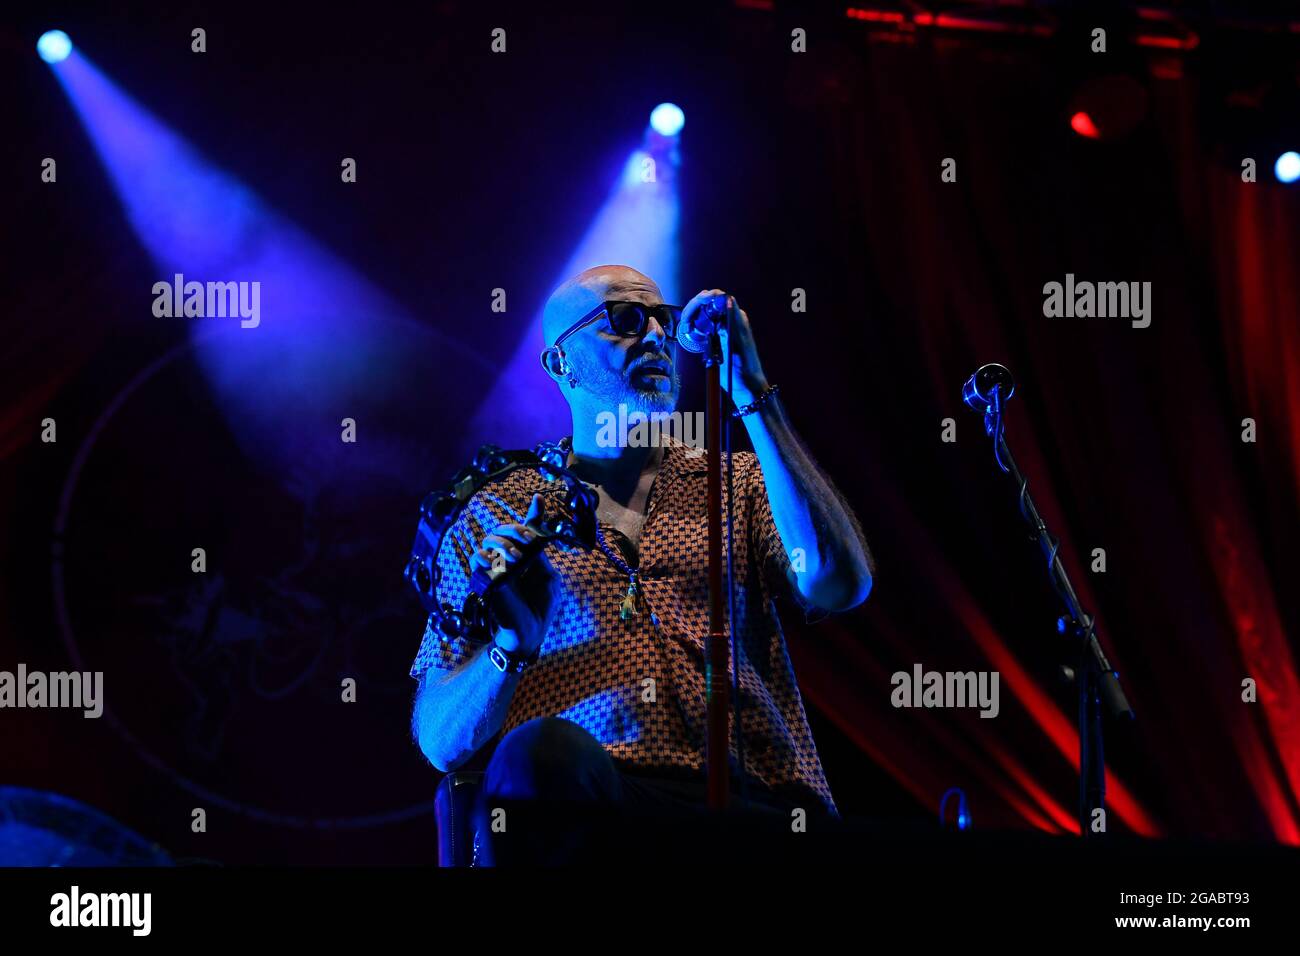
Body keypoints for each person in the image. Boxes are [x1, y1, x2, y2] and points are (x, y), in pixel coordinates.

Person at [410, 265, 873, 863]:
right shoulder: (496, 514)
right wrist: (506, 649)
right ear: (560, 364)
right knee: (538, 754)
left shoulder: (737, 481)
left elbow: (840, 583)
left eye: (664, 318)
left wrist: (752, 393)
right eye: (625, 320)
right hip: (598, 808)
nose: (655, 335)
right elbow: (442, 743)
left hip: (758, 799)